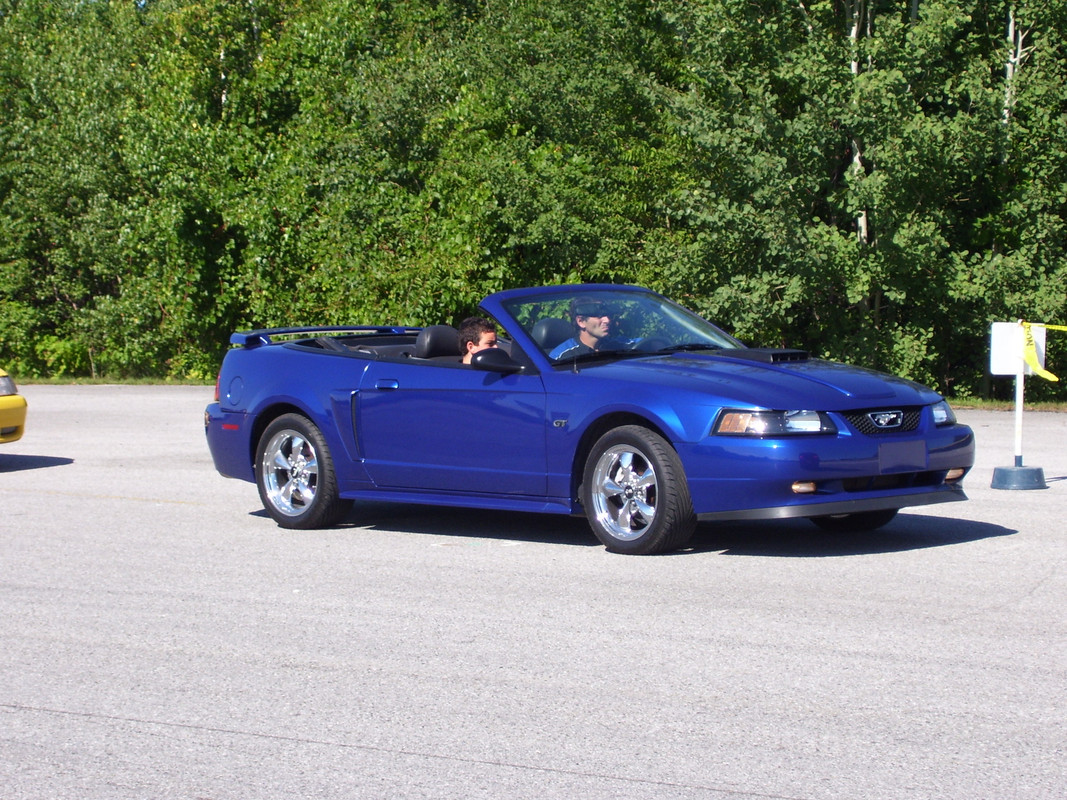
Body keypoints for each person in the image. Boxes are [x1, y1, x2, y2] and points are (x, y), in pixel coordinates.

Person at [548, 299, 616, 360]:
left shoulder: (621, 347)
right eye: (599, 316)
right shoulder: (561, 357)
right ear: (581, 321)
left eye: (608, 315)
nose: (607, 320)